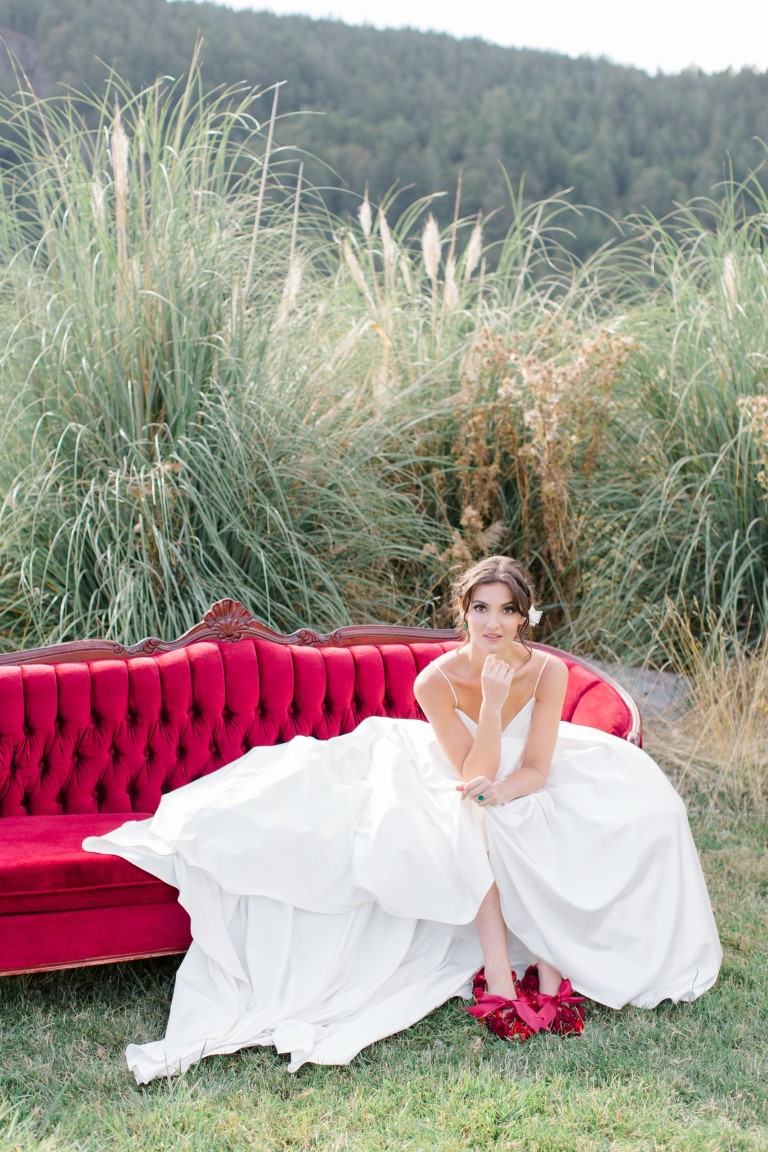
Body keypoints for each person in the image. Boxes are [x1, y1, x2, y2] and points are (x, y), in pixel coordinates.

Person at [84, 556, 721, 1082]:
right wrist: (494, 706)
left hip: (530, 773)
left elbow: (537, 767)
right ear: (462, 612)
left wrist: (508, 790)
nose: (492, 623)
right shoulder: (436, 681)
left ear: (524, 616)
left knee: (616, 810)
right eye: (479, 608)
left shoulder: (548, 671)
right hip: (446, 771)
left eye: (506, 610)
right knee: (469, 821)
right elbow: (470, 770)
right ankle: (501, 978)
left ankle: (553, 962)